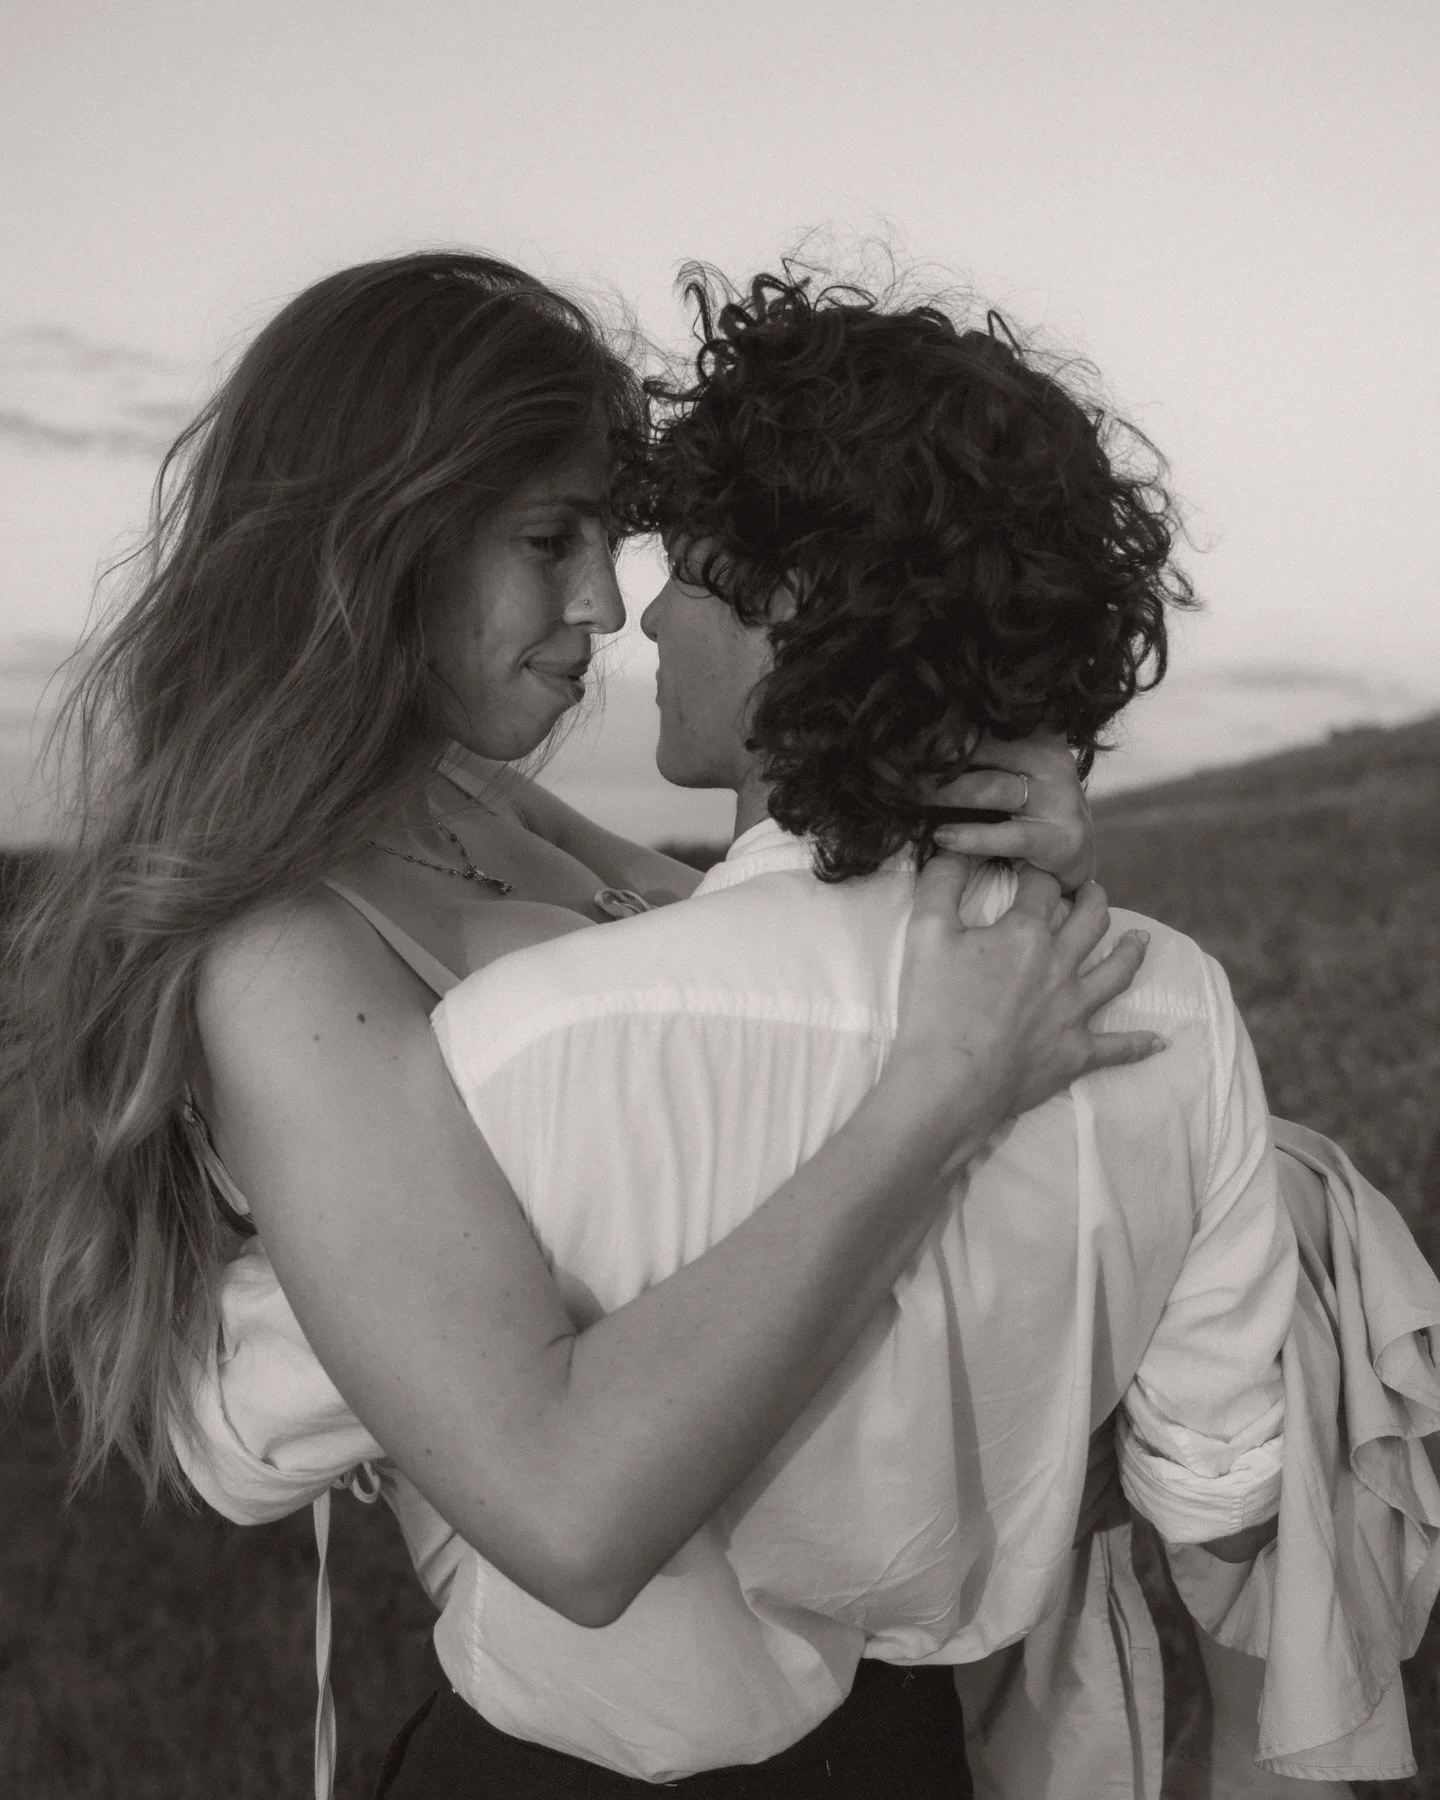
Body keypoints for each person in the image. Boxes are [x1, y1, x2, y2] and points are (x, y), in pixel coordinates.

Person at [0, 252, 1161, 1800]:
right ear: (374, 541)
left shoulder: (485, 806)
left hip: (850, 1688)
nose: (604, 606)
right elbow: (564, 1514)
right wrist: (934, 1097)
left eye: (609, 540)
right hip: (614, 1757)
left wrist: (1019, 844)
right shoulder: (285, 956)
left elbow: (764, 1001)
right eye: (548, 541)